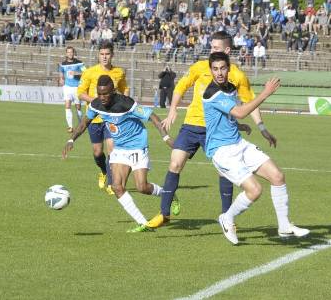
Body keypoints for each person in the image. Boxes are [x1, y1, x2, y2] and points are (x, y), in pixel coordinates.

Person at [147, 31, 277, 228]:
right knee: (175, 164)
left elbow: (249, 102)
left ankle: (227, 217)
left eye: (216, 48)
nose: (211, 51)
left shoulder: (237, 76)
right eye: (211, 47)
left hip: (216, 131)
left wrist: (262, 127)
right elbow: (181, 87)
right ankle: (164, 214)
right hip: (191, 125)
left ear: (226, 50)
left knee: (223, 172)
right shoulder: (200, 67)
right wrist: (172, 110)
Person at [203, 52, 310, 245]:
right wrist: (266, 93)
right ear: (210, 70)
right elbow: (241, 112)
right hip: (222, 152)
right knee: (255, 190)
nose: (219, 73)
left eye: (222, 68)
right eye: (215, 69)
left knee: (277, 176)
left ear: (229, 68)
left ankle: (284, 226)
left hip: (239, 144)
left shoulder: (230, 88)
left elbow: (230, 115)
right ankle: (227, 218)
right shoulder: (212, 93)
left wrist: (257, 128)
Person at [63, 75, 175, 232]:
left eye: (106, 94)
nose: (102, 97)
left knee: (142, 187)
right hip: (120, 149)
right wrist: (71, 140)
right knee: (117, 187)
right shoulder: (95, 105)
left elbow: (152, 116)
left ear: (113, 91)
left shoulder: (126, 103)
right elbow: (84, 123)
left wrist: (166, 137)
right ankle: (143, 223)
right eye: (99, 93)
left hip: (137, 146)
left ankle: (168, 195)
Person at [77, 41, 127, 195]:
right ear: (98, 55)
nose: (104, 57)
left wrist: (124, 105)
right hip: (94, 119)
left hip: (111, 119)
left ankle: (112, 184)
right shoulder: (90, 72)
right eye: (102, 54)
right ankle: (104, 171)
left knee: (112, 149)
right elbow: (80, 93)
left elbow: (125, 88)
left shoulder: (119, 72)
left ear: (112, 55)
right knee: (98, 152)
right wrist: (96, 102)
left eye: (107, 54)